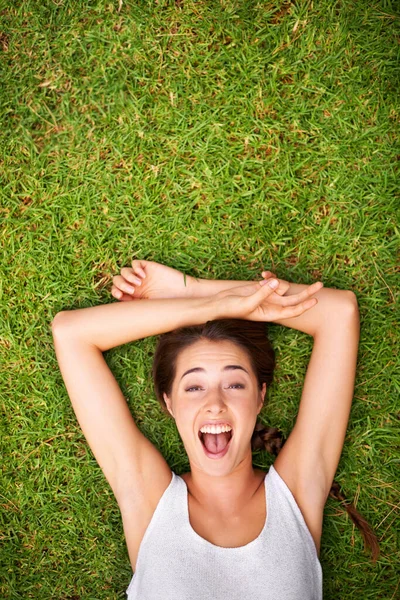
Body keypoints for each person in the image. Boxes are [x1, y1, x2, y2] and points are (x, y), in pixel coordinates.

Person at [51, 259, 379, 599]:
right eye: (193, 388)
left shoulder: (295, 496)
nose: (215, 403)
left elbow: (339, 312)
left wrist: (188, 290)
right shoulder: (149, 502)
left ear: (260, 397)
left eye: (235, 385)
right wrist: (212, 305)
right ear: (169, 403)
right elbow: (71, 333)